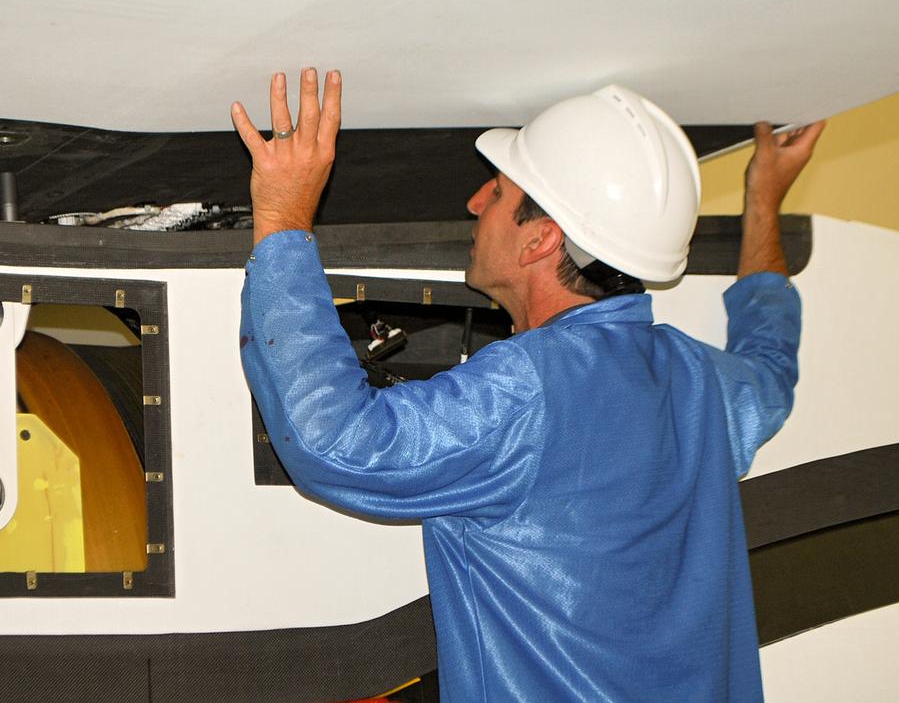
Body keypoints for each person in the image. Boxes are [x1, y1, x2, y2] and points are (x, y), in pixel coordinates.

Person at [233, 68, 824, 701]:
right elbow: (771, 364)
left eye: (498, 190)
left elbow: (336, 444)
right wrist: (764, 203)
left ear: (540, 239)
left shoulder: (524, 391)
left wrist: (284, 217)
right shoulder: (705, 383)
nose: (475, 203)